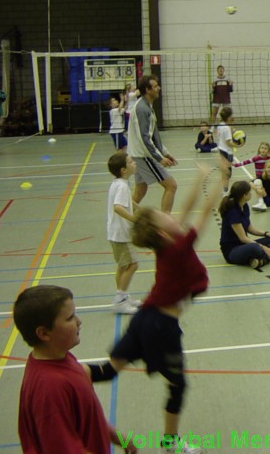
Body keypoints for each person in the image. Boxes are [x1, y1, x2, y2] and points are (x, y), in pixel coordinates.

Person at [89, 163, 225, 454]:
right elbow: (201, 215)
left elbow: (186, 211)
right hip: (160, 328)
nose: (170, 216)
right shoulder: (177, 249)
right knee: (177, 387)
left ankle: (64, 373)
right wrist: (220, 182)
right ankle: (170, 443)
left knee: (108, 371)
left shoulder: (167, 244)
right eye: (165, 217)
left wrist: (199, 176)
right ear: (163, 233)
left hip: (143, 319)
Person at [14, 285, 138, 454]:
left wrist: (116, 436)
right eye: (70, 317)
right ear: (44, 333)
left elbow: (88, 414)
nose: (79, 321)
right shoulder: (49, 388)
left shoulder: (64, 358)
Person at [127, 74, 178, 213]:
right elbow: (145, 140)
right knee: (171, 186)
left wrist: (165, 152)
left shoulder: (147, 106)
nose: (158, 88)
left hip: (137, 154)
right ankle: (165, 223)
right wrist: (160, 158)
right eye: (155, 86)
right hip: (143, 156)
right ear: (147, 90)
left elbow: (153, 136)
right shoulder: (142, 109)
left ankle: (123, 217)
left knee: (140, 191)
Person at [219, 181, 270, 269]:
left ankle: (260, 260)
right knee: (257, 248)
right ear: (244, 195)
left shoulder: (245, 206)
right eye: (249, 192)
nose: (251, 194)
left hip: (244, 245)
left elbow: (250, 228)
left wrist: (267, 233)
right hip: (232, 251)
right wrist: (264, 248)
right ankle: (266, 257)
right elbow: (243, 238)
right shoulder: (233, 212)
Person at [107, 151, 141, 314]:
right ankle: (119, 300)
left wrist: (138, 207)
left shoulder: (118, 183)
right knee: (133, 264)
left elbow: (125, 201)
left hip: (115, 232)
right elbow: (118, 207)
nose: (134, 163)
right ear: (123, 170)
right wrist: (134, 219)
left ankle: (122, 296)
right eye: (130, 162)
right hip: (121, 233)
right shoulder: (121, 185)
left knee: (123, 265)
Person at [233, 141, 270, 207]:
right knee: (251, 183)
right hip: (259, 177)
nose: (263, 150)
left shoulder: (269, 159)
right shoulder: (256, 158)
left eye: (265, 148)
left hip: (268, 177)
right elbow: (246, 162)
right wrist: (236, 165)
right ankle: (260, 201)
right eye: (262, 148)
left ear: (268, 150)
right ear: (259, 149)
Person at [214, 106, 242, 194]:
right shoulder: (226, 128)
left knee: (225, 172)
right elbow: (229, 142)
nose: (233, 117)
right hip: (227, 151)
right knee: (228, 173)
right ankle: (225, 191)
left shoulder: (220, 125)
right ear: (228, 117)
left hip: (221, 149)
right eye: (231, 115)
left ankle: (224, 189)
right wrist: (238, 145)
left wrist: (231, 128)